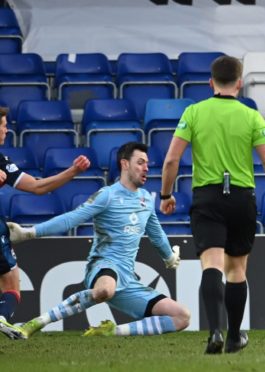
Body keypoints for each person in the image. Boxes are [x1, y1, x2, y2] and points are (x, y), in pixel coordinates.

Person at [159, 55, 265, 354]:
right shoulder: (251, 116)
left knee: (211, 266)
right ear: (240, 83)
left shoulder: (193, 113)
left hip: (207, 196)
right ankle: (234, 336)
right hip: (241, 198)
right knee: (237, 269)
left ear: (211, 82)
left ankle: (214, 333)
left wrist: (166, 195)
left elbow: (171, 159)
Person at [0, 142, 190, 340]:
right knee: (105, 290)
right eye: (140, 163)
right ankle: (35, 323)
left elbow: (156, 233)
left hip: (128, 279)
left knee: (182, 316)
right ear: (125, 164)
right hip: (104, 265)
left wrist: (169, 257)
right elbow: (71, 219)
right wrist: (30, 232)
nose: (146, 168)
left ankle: (111, 331)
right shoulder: (107, 195)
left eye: (147, 164)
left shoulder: (146, 199)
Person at [0, 106, 91, 334]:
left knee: (10, 280)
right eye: (2, 125)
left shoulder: (2, 161)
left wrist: (72, 171)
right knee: (11, 282)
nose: (6, 130)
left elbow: (37, 186)